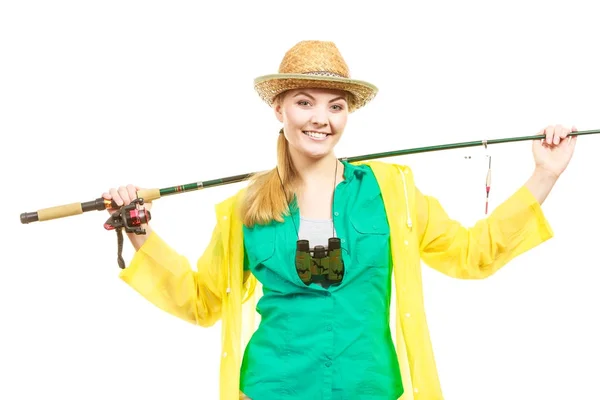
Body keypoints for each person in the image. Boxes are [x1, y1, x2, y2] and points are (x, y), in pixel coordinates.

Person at [103, 40, 577, 400]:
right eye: (304, 102)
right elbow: (203, 300)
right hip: (273, 388)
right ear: (279, 109)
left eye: (336, 105)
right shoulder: (245, 207)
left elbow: (473, 254)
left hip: (369, 385)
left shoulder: (393, 192)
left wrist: (544, 174)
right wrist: (140, 230)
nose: (321, 119)